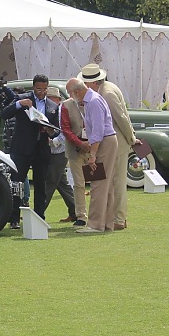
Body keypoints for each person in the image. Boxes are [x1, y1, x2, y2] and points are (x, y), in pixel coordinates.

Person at [79, 63, 139, 231]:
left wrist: (131, 138)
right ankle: (113, 218)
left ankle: (119, 218)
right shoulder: (105, 90)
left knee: (117, 182)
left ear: (93, 83)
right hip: (113, 142)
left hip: (116, 143)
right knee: (111, 182)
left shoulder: (107, 93)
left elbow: (121, 118)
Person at [0, 74, 58, 225]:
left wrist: (50, 131)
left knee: (40, 185)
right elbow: (5, 114)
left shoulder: (52, 106)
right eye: (39, 89)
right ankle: (14, 219)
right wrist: (19, 104)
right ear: (33, 87)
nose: (42, 92)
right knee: (17, 183)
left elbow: (56, 129)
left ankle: (39, 218)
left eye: (45, 89)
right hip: (22, 148)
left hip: (41, 149)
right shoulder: (23, 98)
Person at [66, 78, 118, 233]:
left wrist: (93, 154)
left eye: (70, 93)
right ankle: (107, 223)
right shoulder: (92, 100)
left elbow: (97, 131)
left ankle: (95, 224)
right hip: (106, 141)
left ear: (76, 91)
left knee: (98, 184)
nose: (70, 96)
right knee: (105, 186)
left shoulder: (93, 102)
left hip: (104, 143)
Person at [44, 87, 76, 223]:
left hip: (60, 151)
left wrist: (53, 142)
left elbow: (65, 132)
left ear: (56, 99)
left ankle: (38, 212)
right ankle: (76, 211)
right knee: (62, 183)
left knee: (50, 181)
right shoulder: (53, 111)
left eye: (50, 99)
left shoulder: (61, 111)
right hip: (56, 150)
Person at [59, 89, 91, 227]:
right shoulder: (66, 105)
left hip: (93, 148)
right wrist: (79, 143)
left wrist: (92, 144)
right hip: (75, 149)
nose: (74, 94)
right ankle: (81, 216)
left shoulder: (94, 101)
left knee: (98, 181)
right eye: (71, 92)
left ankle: (98, 213)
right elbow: (65, 129)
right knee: (78, 183)